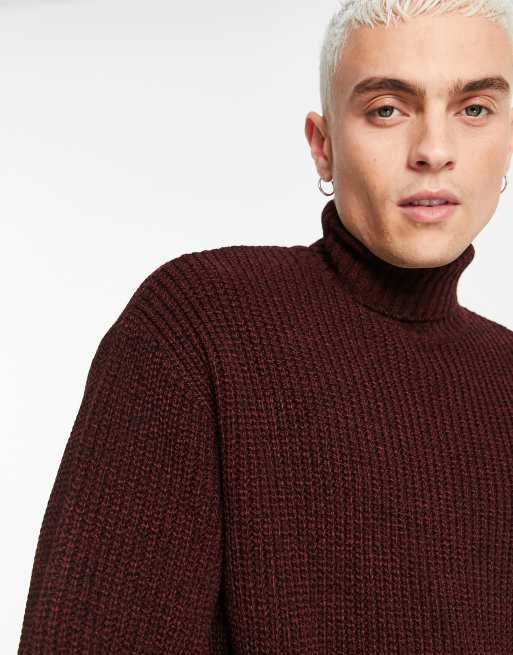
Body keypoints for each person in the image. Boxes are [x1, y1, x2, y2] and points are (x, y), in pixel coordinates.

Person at [18, 1, 513, 653]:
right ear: (323, 146)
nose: (433, 151)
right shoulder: (199, 326)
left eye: (473, 109)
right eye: (387, 109)